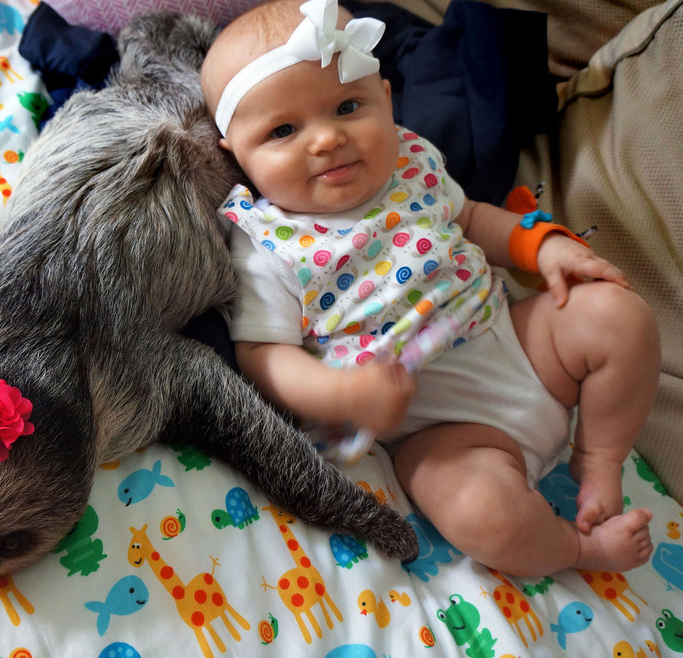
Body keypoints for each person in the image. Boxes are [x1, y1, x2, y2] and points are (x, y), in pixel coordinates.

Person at [200, 0, 660, 576]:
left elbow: (471, 221)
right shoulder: (266, 243)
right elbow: (264, 355)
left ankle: (599, 460)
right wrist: (338, 395)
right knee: (482, 513)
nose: (326, 140)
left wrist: (539, 246)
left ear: (386, 101)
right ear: (236, 154)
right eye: (284, 130)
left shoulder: (412, 160)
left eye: (347, 106)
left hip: (519, 343)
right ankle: (581, 549)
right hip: (441, 428)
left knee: (618, 314)